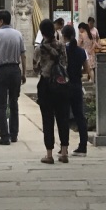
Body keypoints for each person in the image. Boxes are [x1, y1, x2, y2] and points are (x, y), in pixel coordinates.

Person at [33, 18, 72, 164]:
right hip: (61, 84)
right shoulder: (62, 46)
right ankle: (64, 152)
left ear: (42, 32)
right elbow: (65, 63)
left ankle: (49, 154)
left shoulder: (39, 49)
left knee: (47, 120)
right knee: (63, 118)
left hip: (46, 86)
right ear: (54, 31)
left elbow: (36, 68)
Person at [0, 9, 25, 145]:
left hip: (1, 71)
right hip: (15, 70)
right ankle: (14, 134)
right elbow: (23, 55)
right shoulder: (18, 34)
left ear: (1, 21)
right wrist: (24, 73)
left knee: (1, 104)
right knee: (14, 103)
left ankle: (5, 136)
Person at [61, 24, 91, 155]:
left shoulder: (63, 51)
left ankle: (64, 146)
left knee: (64, 116)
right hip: (77, 85)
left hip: (64, 86)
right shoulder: (81, 51)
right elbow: (87, 70)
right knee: (80, 116)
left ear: (64, 36)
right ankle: (83, 146)